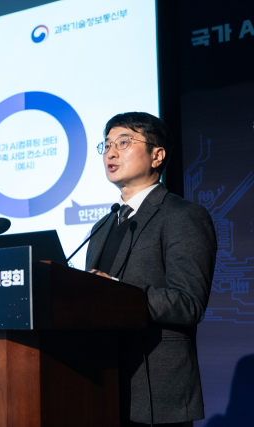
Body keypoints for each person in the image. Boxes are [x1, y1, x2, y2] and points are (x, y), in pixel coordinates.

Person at [86, 112, 217, 426]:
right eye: (106, 145)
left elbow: (189, 304)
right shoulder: (102, 227)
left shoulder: (182, 216)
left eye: (123, 143)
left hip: (154, 392)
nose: (110, 153)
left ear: (157, 155)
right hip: (101, 385)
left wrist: (116, 292)